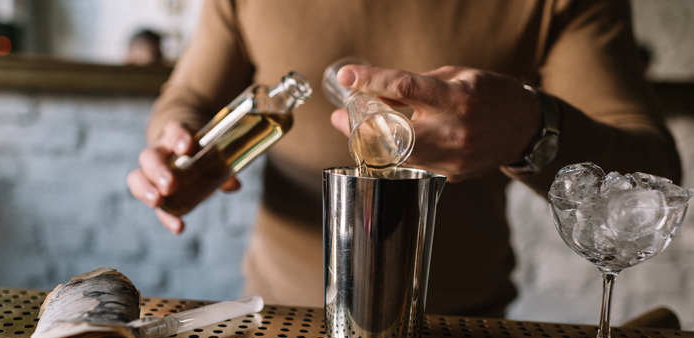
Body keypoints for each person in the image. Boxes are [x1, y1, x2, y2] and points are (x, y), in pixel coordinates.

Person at [126, 0, 680, 317]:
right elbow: (189, 99)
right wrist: (170, 138)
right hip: (281, 316)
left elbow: (650, 178)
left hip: (461, 328)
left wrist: (526, 126)